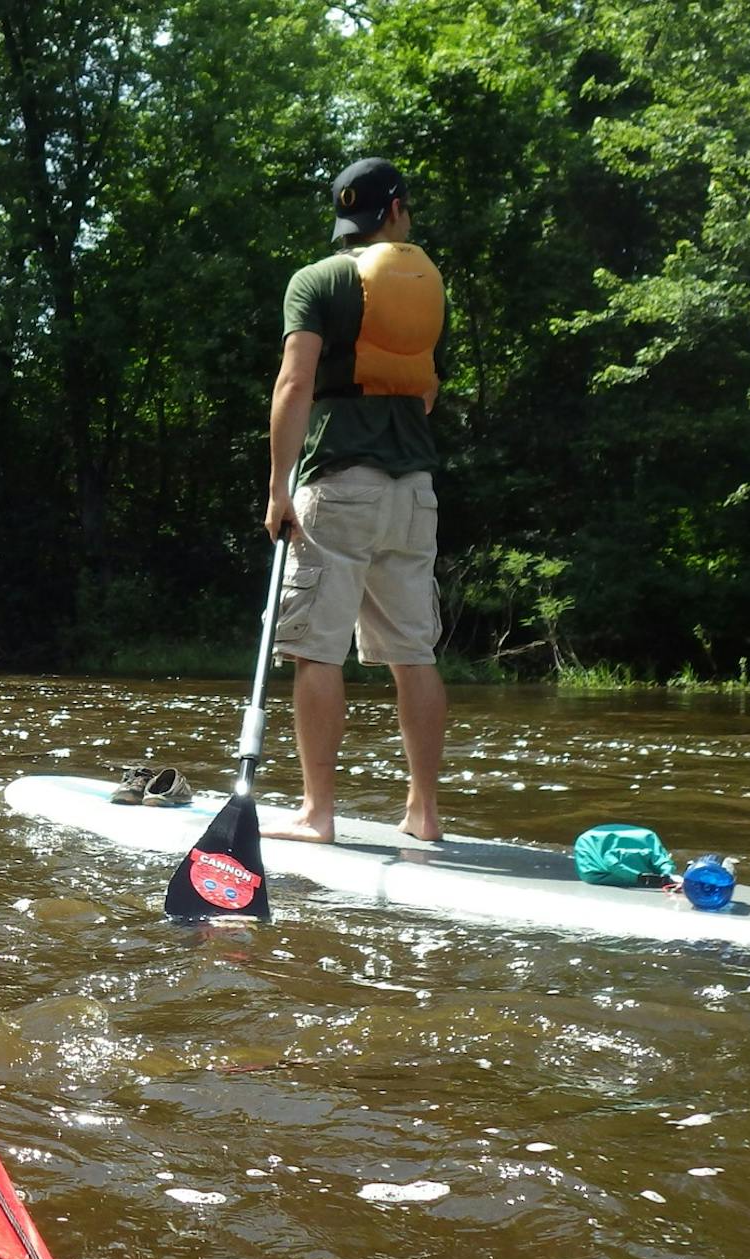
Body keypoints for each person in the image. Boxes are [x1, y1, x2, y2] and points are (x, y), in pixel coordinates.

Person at [261, 157, 446, 844]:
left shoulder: (318, 280)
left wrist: (279, 487)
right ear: (396, 209)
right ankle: (423, 815)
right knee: (413, 653)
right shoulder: (427, 284)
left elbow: (293, 383)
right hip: (413, 487)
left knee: (317, 650)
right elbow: (426, 390)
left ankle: (318, 813)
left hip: (340, 482)